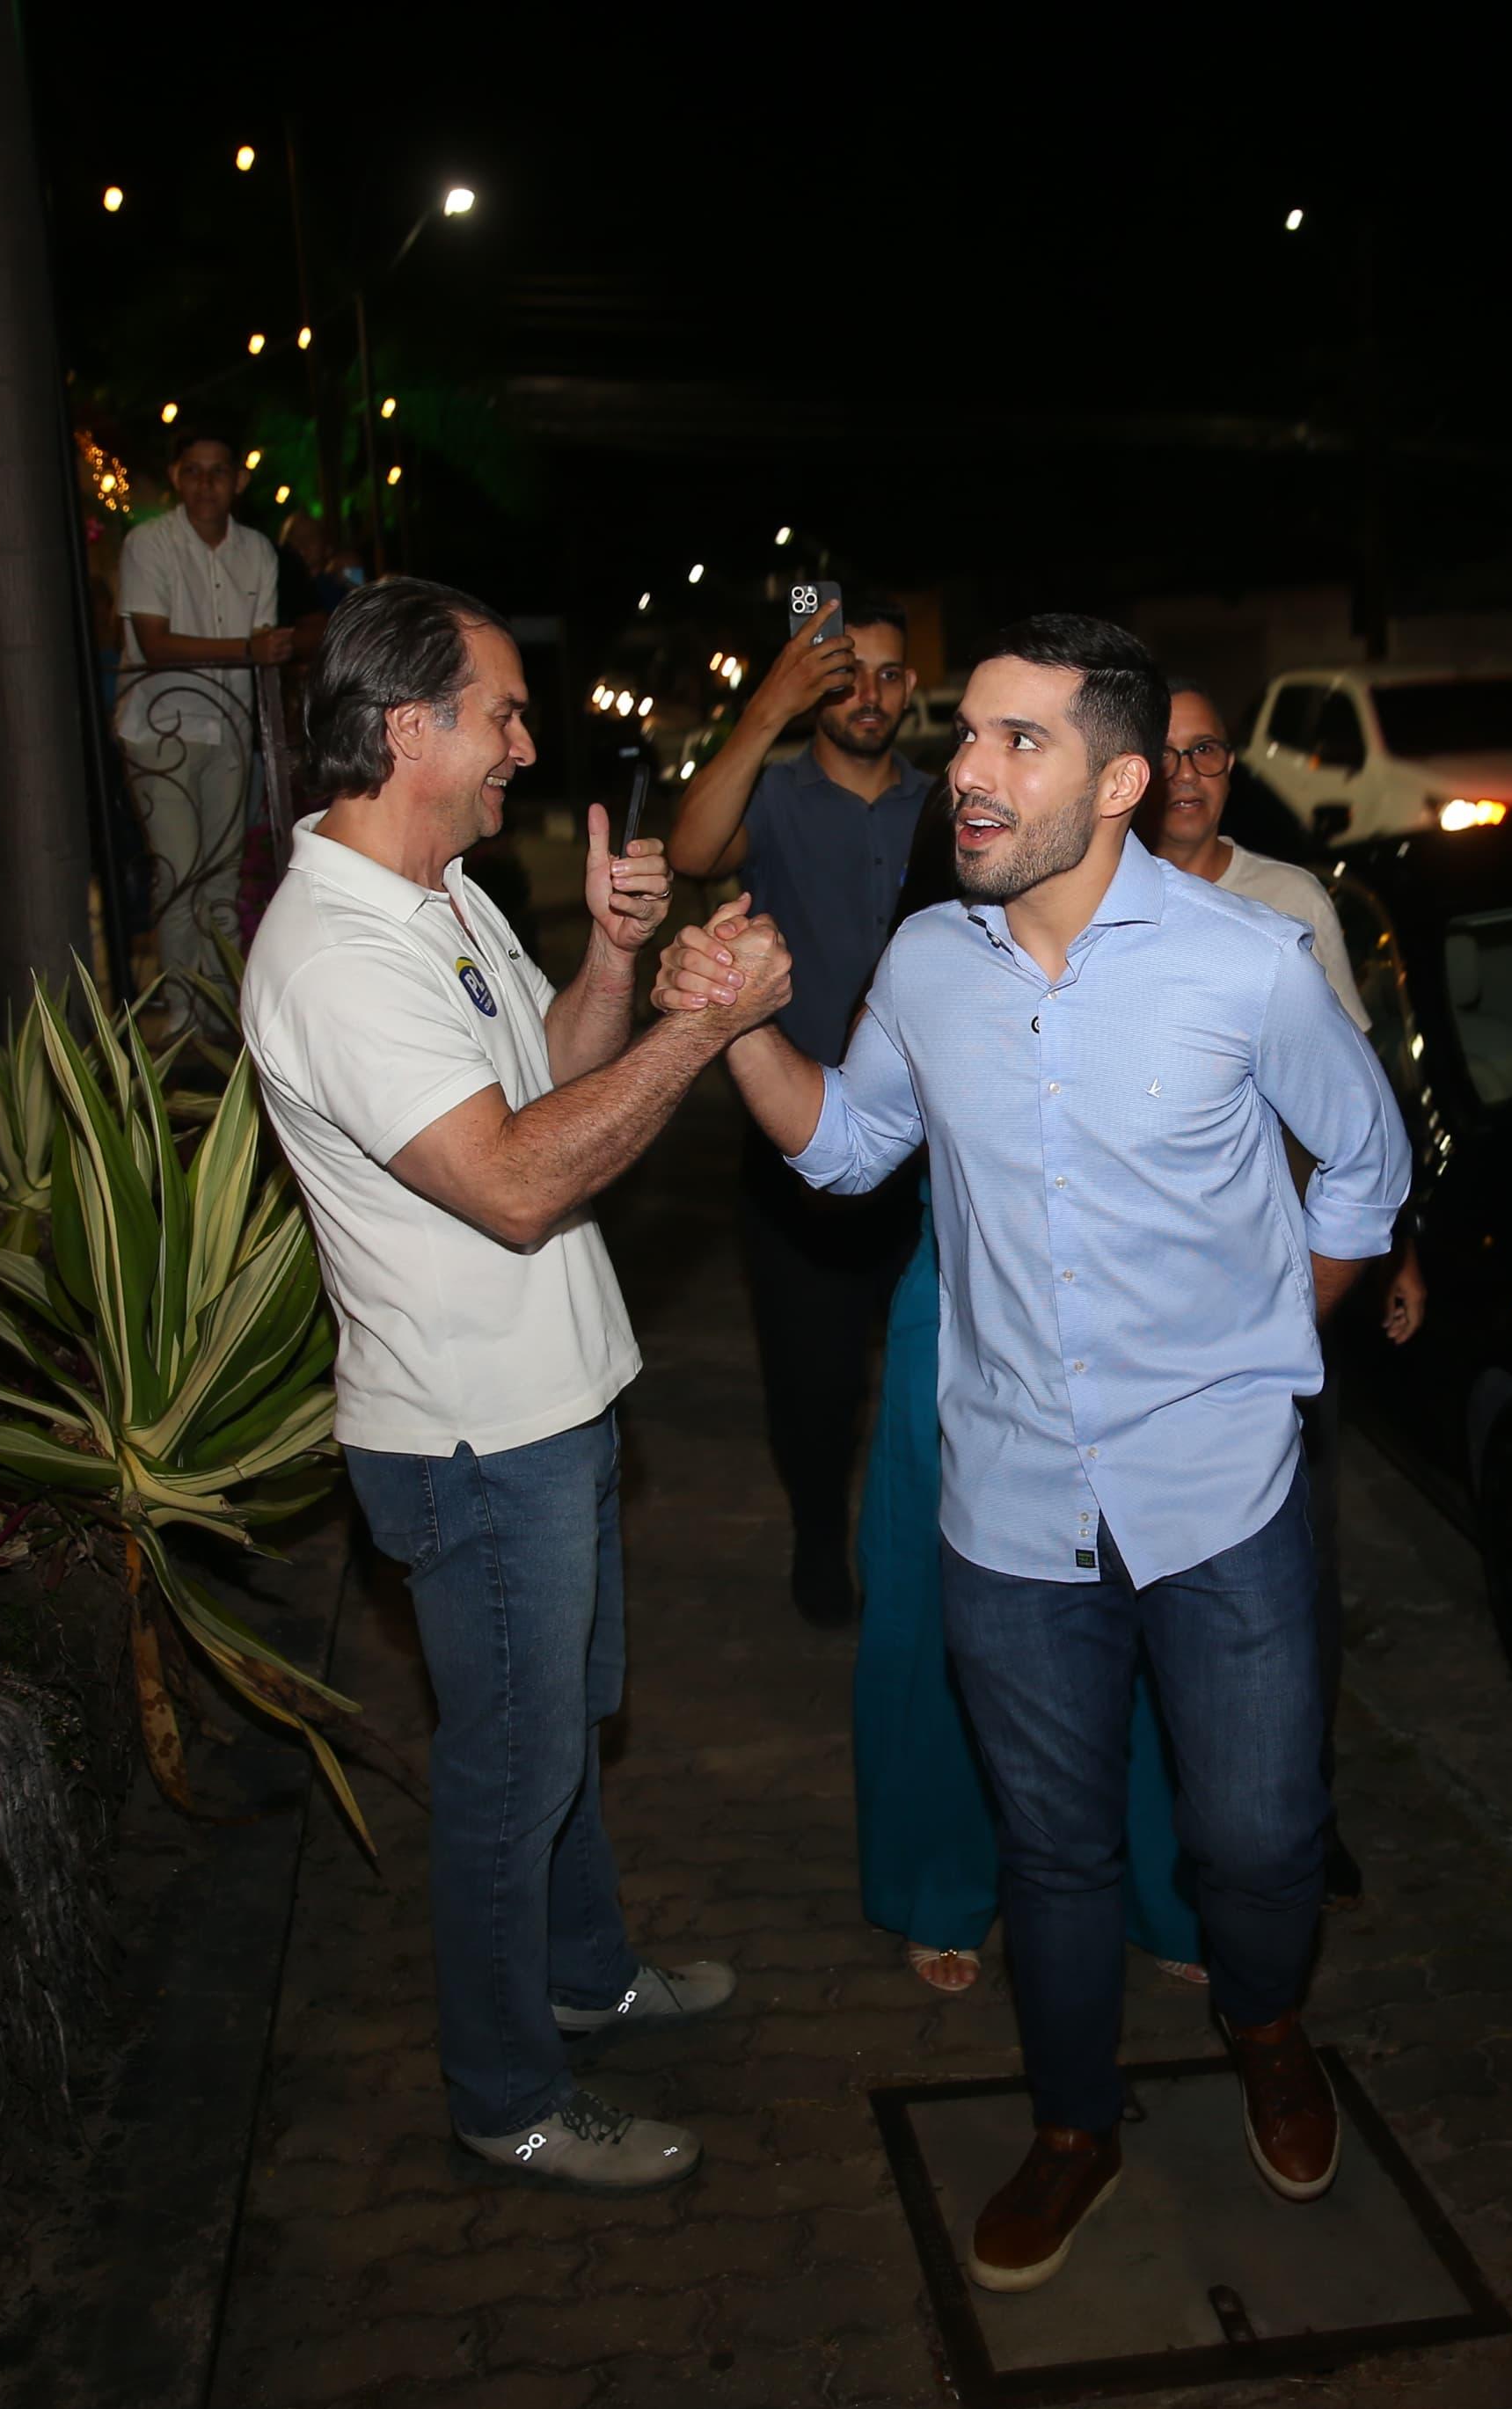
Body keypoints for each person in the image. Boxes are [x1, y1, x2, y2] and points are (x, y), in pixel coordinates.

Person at [661, 615, 1409, 2295]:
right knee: (1053, 1849)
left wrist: (1274, 1341)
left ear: (1121, 779)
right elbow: (851, 1151)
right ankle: (1075, 2121)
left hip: (1227, 1505)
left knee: (1261, 1834)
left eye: (1018, 743)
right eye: (968, 737)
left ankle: (1268, 2020)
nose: (969, 774)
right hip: (1009, 1507)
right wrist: (735, 1037)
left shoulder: (1246, 965)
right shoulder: (930, 958)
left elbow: (1364, 1163)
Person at [242, 578, 774, 2194]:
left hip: (553, 1402)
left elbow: (543, 1070)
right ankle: (507, 2088)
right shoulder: (337, 953)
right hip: (474, 1441)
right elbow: (522, 1183)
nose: (525, 748)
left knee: (562, 1734)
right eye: (501, 714)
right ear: (409, 728)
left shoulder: (439, 891)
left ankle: (586, 1967)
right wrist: (706, 1029)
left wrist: (620, 966)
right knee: (507, 1770)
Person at [853, 800, 1209, 1999]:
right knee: (945, 1611)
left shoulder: (1194, 944)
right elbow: (847, 1138)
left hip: (1136, 1333)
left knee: (1152, 1598)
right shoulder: (933, 958)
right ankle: (947, 1878)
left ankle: (1167, 1889)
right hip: (961, 1315)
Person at [1143, 683, 1430, 1906]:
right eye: (1164, 753)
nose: (1190, 772)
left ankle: (1296, 1814)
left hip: (1283, 1290)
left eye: (1206, 749)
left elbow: (1355, 1106)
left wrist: (1390, 1251)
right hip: (1142, 1304)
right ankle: (1173, 1827)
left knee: (1295, 1567)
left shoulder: (1288, 899)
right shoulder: (1086, 904)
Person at [662, 599, 932, 1625]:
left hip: (926, 1152)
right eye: (848, 673)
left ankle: (924, 1554)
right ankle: (819, 1536)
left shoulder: (945, 803)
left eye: (891, 674)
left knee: (930, 1376)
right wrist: (768, 706)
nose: (870, 694)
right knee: (813, 1385)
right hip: (795, 1145)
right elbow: (691, 851)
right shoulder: (772, 797)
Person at [116, 427, 291, 1029]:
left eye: (218, 471)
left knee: (219, 878)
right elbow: (155, 642)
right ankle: (182, 1010)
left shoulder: (258, 551)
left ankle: (218, 1011)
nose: (205, 484)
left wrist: (262, 654)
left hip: (230, 726)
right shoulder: (149, 544)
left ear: (238, 481)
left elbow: (269, 648)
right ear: (176, 477)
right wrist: (249, 648)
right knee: (178, 869)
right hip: (161, 726)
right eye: (193, 470)